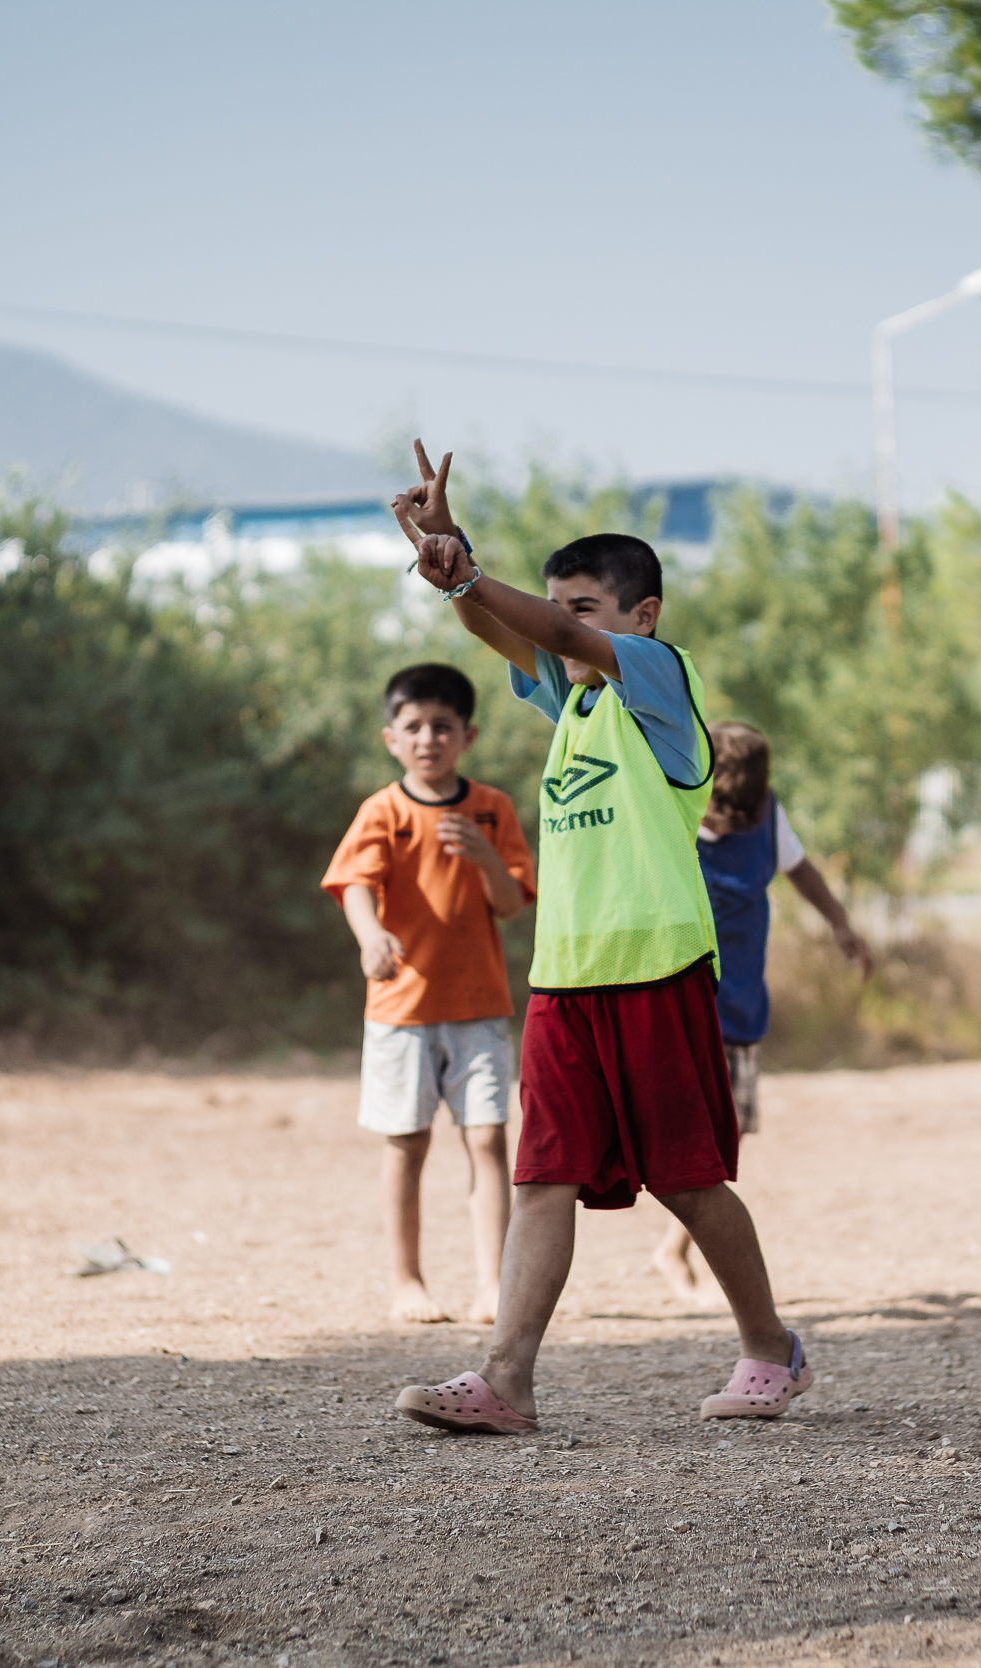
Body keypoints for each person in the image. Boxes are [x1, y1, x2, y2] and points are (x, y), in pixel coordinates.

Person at [382, 441, 811, 1434]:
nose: (564, 627)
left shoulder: (657, 682)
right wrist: (449, 558)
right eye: (560, 608)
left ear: (640, 618)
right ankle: (506, 1380)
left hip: (658, 969)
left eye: (584, 610)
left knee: (688, 1181)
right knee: (542, 1177)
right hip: (566, 978)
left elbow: (523, 617)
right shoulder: (570, 698)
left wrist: (478, 575)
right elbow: (504, 628)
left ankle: (768, 1349)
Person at [320, 662, 536, 1327]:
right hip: (402, 1010)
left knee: (489, 1141)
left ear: (467, 736)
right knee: (406, 1145)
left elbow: (512, 903)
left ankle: (493, 1286)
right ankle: (406, 1281)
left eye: (442, 727)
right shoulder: (383, 810)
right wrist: (369, 935)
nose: (428, 739)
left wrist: (484, 856)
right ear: (392, 738)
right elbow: (355, 882)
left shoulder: (491, 810)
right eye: (413, 727)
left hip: (478, 1009)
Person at [651, 720, 873, 1302]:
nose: (729, 826)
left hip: (739, 1005)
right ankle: (675, 1250)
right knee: (673, 1131)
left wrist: (841, 924)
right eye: (719, 814)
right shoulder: (666, 812)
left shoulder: (768, 818)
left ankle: (673, 1250)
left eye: (741, 816)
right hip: (673, 1002)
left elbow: (799, 869)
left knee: (725, 1138)